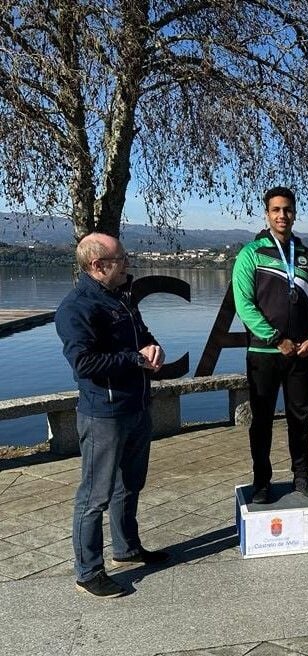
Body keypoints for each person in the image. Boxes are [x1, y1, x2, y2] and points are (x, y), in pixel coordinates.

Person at [56, 233, 169, 598]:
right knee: (95, 495)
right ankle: (88, 572)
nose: (128, 263)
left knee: (130, 484)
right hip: (103, 414)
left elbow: (141, 335)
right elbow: (84, 363)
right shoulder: (76, 308)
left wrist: (152, 348)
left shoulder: (121, 298)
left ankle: (127, 548)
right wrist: (134, 359)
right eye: (121, 259)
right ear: (98, 265)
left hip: (135, 406)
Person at [232, 186, 308, 504]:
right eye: (276, 210)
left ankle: (301, 476)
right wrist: (276, 339)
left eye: (287, 209)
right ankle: (261, 482)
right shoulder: (251, 254)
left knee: (301, 419)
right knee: (261, 421)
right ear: (267, 214)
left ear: (294, 212)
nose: (282, 215)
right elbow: (243, 305)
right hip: (264, 353)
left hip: (302, 354)